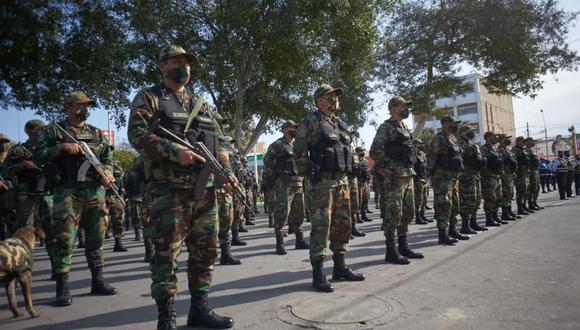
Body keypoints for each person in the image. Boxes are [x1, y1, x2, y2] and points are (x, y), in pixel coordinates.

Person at [127, 45, 235, 329]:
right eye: (176, 61)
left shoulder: (200, 103)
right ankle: (167, 317)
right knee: (166, 254)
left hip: (204, 190)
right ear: (162, 66)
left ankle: (200, 308)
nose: (183, 67)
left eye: (186, 63)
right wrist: (175, 151)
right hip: (169, 191)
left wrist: (225, 163)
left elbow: (220, 139)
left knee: (206, 250)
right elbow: (137, 136)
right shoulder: (149, 98)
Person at [34, 91, 118, 307]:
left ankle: (97, 281)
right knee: (65, 239)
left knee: (97, 237)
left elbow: (107, 158)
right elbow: (37, 156)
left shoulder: (96, 133)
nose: (85, 109)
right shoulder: (54, 130)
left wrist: (107, 173)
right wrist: (60, 148)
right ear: (68, 107)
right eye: (80, 105)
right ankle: (62, 288)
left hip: (95, 191)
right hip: (67, 191)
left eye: (87, 106)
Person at [294, 84, 365, 293]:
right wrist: (310, 176)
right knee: (321, 228)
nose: (334, 99)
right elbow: (298, 152)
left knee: (343, 226)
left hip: (342, 182)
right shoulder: (310, 122)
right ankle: (318, 275)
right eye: (329, 96)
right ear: (319, 100)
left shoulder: (341, 124)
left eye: (335, 96)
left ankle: (340, 268)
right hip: (321, 184)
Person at [370, 96, 424, 264]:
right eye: (402, 106)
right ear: (393, 108)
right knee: (393, 213)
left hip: (408, 174)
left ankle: (403, 246)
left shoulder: (405, 127)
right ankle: (391, 251)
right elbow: (375, 151)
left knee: (408, 212)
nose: (405, 109)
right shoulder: (386, 127)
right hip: (394, 177)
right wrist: (389, 167)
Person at [4, 120, 56, 274]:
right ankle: (21, 269)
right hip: (26, 198)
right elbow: (5, 172)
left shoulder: (49, 149)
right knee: (24, 236)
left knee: (51, 232)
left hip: (47, 195)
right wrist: (22, 166)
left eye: (42, 130)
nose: (40, 133)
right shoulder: (18, 150)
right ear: (29, 131)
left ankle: (57, 268)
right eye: (38, 130)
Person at [263, 120, 309, 255]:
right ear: (284, 130)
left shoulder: (298, 145)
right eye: (291, 127)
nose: (294, 129)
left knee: (299, 213)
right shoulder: (279, 144)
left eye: (295, 127)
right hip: (284, 184)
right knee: (282, 213)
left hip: (298, 183)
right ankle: (280, 243)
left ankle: (299, 240)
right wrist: (278, 171)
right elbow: (267, 160)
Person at [427, 116, 464, 245]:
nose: (454, 126)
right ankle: (443, 234)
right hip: (442, 177)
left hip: (453, 177)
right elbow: (431, 155)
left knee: (454, 204)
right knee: (443, 204)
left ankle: (453, 230)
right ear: (444, 124)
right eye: (452, 124)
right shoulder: (439, 138)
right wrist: (433, 172)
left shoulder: (453, 138)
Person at [457, 126, 487, 233]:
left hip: (475, 175)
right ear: (461, 133)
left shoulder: (473, 144)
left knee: (476, 199)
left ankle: (473, 223)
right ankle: (465, 225)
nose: (471, 132)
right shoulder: (460, 143)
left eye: (471, 130)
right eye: (468, 131)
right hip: (466, 177)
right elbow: (460, 158)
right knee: (467, 201)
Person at [480, 132, 507, 227]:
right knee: (490, 198)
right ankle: (489, 219)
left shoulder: (495, 148)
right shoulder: (483, 148)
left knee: (498, 197)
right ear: (487, 138)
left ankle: (495, 216)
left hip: (497, 176)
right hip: (488, 177)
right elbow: (483, 161)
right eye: (493, 137)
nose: (495, 138)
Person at [107, 160, 128, 252]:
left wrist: (122, 191)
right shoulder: (98, 163)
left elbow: (121, 180)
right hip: (102, 195)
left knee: (118, 221)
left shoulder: (117, 166)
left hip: (116, 196)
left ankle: (118, 243)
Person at [511, 137, 533, 214]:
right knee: (520, 191)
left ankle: (524, 206)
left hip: (525, 172)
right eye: (522, 141)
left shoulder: (523, 149)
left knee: (526, 190)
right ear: (517, 142)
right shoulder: (515, 149)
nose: (523, 143)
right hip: (520, 173)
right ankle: (520, 208)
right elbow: (514, 160)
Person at [413, 139, 429, 225]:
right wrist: (416, 178)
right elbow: (411, 168)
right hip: (418, 180)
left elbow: (426, 166)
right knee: (418, 199)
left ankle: (423, 215)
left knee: (424, 199)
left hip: (424, 179)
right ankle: (418, 217)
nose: (421, 146)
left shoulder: (422, 154)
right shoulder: (413, 155)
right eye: (419, 144)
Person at [355, 147, 372, 222]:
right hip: (358, 183)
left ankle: (364, 215)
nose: (363, 152)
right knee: (358, 200)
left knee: (366, 199)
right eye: (361, 151)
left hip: (365, 183)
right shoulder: (355, 160)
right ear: (357, 151)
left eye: (363, 151)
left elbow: (367, 171)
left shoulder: (365, 160)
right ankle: (358, 217)